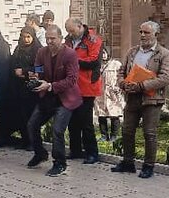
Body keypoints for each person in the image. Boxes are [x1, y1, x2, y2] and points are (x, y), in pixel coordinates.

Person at [111, 21, 169, 178]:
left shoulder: (164, 54)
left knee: (149, 133)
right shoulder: (132, 52)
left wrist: (142, 85)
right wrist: (122, 83)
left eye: (146, 32)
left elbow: (166, 77)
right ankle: (128, 163)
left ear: (155, 34)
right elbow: (121, 71)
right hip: (132, 97)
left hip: (151, 99)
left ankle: (148, 166)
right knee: (127, 131)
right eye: (141, 32)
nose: (142, 35)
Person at [26, 25, 82, 177]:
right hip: (47, 96)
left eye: (53, 38)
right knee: (32, 125)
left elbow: (72, 80)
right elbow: (38, 67)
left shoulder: (70, 54)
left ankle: (60, 163)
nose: (49, 41)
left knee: (57, 130)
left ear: (61, 39)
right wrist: (35, 77)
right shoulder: (42, 51)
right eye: (47, 38)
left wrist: (50, 85)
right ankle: (40, 153)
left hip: (65, 98)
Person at [64, 18, 103, 164]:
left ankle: (92, 152)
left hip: (87, 86)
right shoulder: (68, 40)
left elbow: (93, 62)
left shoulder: (93, 40)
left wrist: (73, 60)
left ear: (80, 27)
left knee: (85, 121)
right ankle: (75, 150)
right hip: (71, 86)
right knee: (72, 121)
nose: (70, 33)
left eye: (72, 30)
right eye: (68, 31)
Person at [10, 26, 43, 149]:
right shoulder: (19, 48)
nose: (26, 39)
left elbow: (41, 68)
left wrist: (24, 71)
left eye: (28, 37)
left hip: (32, 88)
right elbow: (12, 63)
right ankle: (24, 140)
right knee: (21, 114)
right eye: (24, 37)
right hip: (19, 87)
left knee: (31, 115)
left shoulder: (38, 50)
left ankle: (33, 142)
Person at [94, 48, 124, 143]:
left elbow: (122, 76)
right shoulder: (97, 65)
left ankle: (114, 135)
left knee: (114, 114)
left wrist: (119, 87)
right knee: (101, 114)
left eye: (104, 53)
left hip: (112, 93)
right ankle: (104, 135)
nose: (102, 55)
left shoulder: (116, 64)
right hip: (100, 93)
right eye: (100, 53)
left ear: (108, 53)